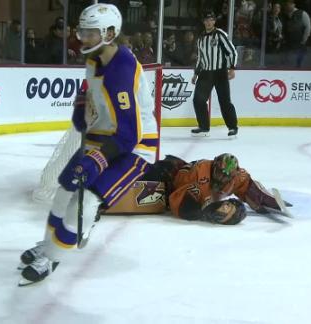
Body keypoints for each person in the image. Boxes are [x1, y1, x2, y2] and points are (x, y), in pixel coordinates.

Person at [18, 3, 159, 286]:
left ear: (109, 33)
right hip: (103, 139)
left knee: (89, 199)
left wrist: (96, 161)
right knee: (64, 189)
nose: (82, 37)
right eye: (82, 30)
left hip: (134, 147)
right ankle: (48, 245)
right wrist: (82, 104)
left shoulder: (122, 69)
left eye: (90, 32)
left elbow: (129, 134)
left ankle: (54, 256)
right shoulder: (95, 60)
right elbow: (92, 95)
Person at [143, 154, 291, 225]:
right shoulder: (199, 174)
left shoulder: (238, 177)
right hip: (170, 179)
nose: (221, 178)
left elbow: (250, 190)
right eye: (219, 173)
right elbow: (179, 203)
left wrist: (270, 202)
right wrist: (204, 212)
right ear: (214, 165)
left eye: (226, 176)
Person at [191, 11, 239, 137]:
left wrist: (232, 68)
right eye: (206, 20)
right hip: (205, 73)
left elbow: (232, 51)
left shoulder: (220, 34)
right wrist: (196, 73)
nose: (208, 22)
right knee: (198, 100)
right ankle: (203, 126)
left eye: (211, 20)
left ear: (214, 21)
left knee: (225, 101)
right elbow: (200, 58)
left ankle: (233, 127)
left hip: (220, 73)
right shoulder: (201, 37)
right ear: (203, 22)